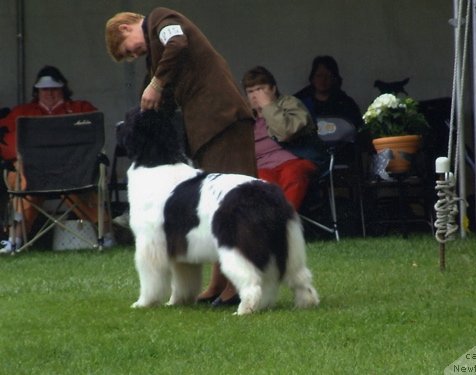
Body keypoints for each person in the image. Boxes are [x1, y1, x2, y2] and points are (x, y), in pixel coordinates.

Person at [105, 9, 257, 306]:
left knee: (234, 203)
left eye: (129, 50)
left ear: (126, 27)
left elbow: (178, 43)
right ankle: (218, 284)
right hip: (208, 126)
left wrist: (157, 84)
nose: (135, 55)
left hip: (223, 119)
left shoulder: (162, 20)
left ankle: (240, 285)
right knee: (217, 207)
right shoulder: (156, 54)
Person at [0, 66, 115, 253]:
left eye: (54, 89)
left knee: (86, 176)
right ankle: (15, 239)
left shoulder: (81, 109)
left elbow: (94, 139)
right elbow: (5, 141)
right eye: (44, 89)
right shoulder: (22, 113)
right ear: (37, 91)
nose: (49, 93)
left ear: (63, 89)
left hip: (73, 171)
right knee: (21, 176)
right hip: (34, 173)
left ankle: (107, 235)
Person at [242, 66, 326, 210]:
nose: (256, 96)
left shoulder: (289, 103)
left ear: (273, 89)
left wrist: (268, 106)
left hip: (296, 160)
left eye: (260, 89)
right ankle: (273, 226)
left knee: (292, 173)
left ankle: (286, 223)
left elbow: (285, 132)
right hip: (263, 166)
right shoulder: (246, 118)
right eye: (250, 92)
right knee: (261, 183)